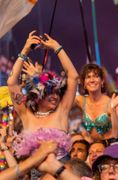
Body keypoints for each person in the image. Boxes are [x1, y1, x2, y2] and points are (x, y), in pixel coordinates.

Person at [7, 31, 78, 159]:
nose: (55, 96)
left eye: (57, 92)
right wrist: (25, 50)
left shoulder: (62, 111)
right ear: (37, 95)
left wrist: (57, 47)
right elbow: (12, 82)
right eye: (50, 92)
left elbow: (73, 76)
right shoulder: (26, 114)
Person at [75, 64, 118, 142]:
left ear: (102, 81)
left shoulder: (112, 102)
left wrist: (112, 108)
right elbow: (64, 101)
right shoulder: (80, 100)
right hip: (92, 148)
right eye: (88, 77)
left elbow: (117, 134)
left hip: (109, 147)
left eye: (96, 76)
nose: (92, 80)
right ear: (84, 84)